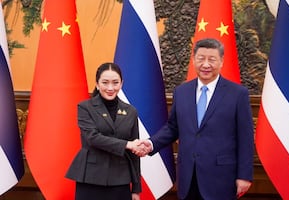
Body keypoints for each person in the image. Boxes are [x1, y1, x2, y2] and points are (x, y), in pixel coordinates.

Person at [136, 38, 254, 200]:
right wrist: (150, 144)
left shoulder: (238, 94)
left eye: (211, 59)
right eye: (201, 59)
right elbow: (172, 128)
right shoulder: (182, 91)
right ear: (193, 60)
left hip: (221, 178)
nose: (206, 64)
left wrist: (244, 175)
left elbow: (245, 138)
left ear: (221, 62)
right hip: (188, 177)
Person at [66, 62, 143, 200]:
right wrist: (127, 144)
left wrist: (136, 189)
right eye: (105, 82)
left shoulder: (131, 111)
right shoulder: (85, 107)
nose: (110, 88)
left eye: (115, 83)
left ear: (121, 84)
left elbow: (134, 155)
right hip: (90, 178)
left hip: (120, 179)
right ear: (97, 84)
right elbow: (93, 138)